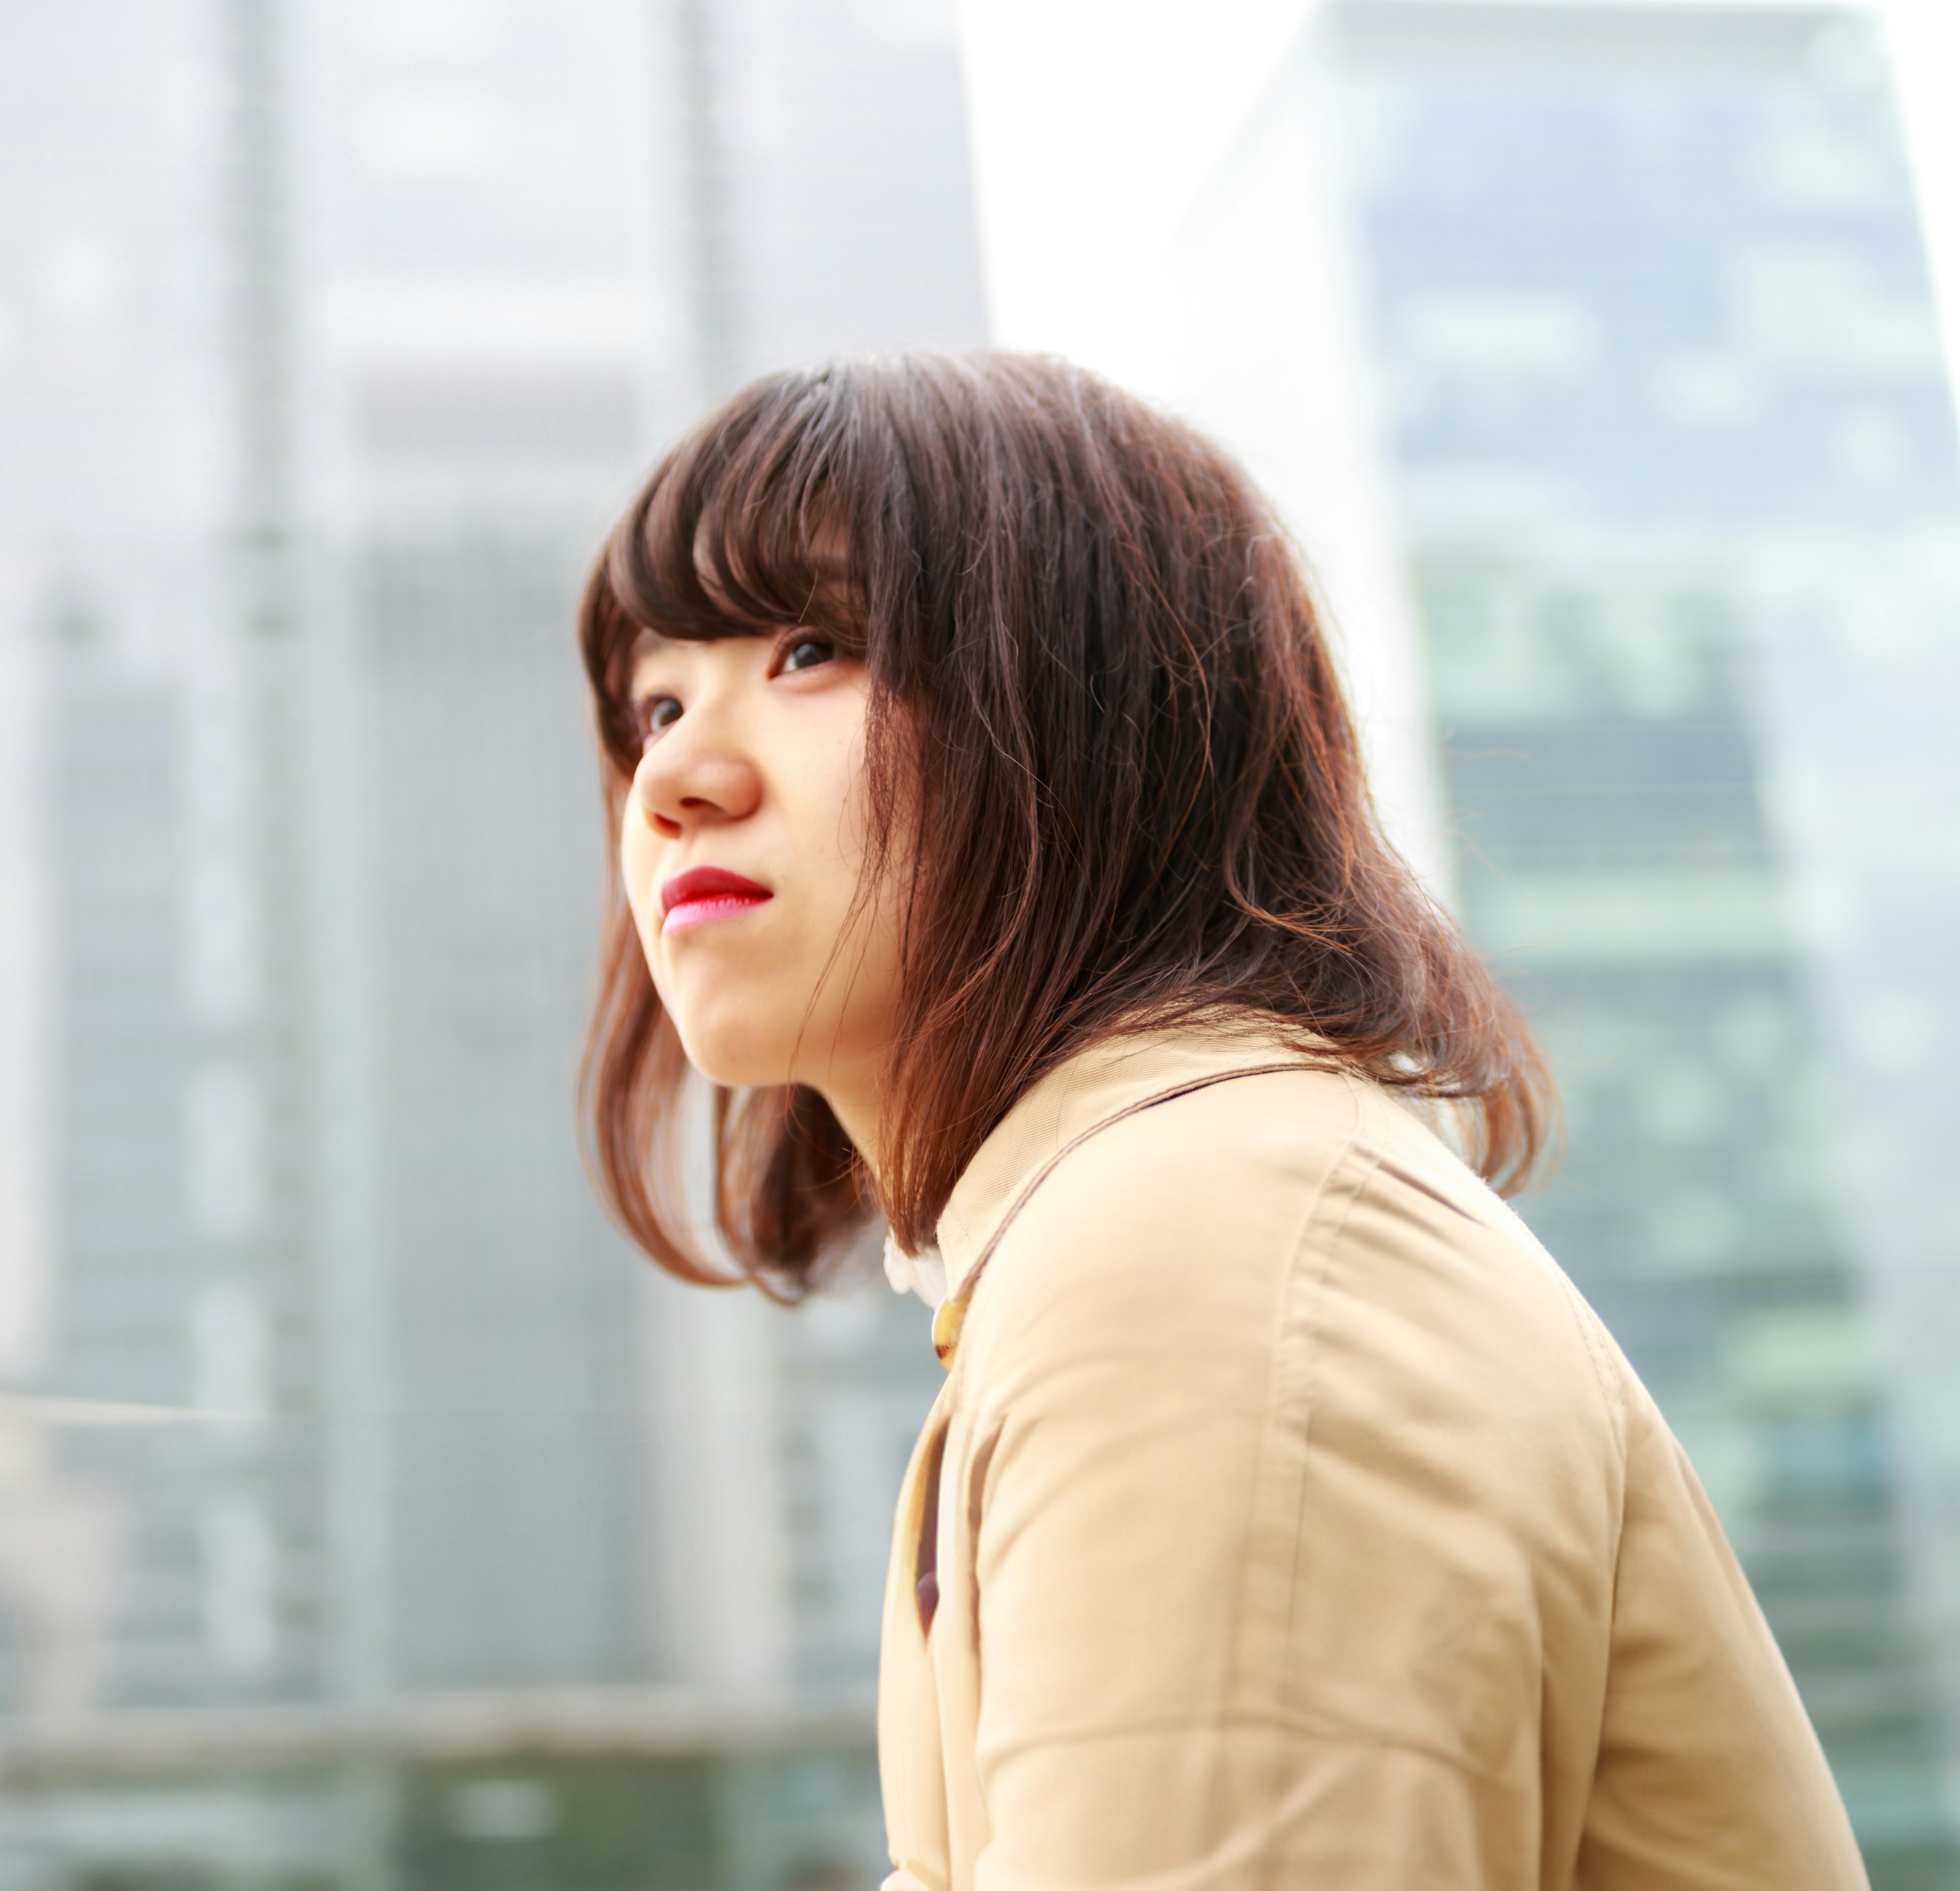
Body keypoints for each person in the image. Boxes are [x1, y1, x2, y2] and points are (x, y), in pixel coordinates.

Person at [574, 352, 1867, 1890]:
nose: (675, 779)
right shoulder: (1119, 1230)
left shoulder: (1203, 1237)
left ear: (1084, 712)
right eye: (656, 700)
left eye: (811, 648)